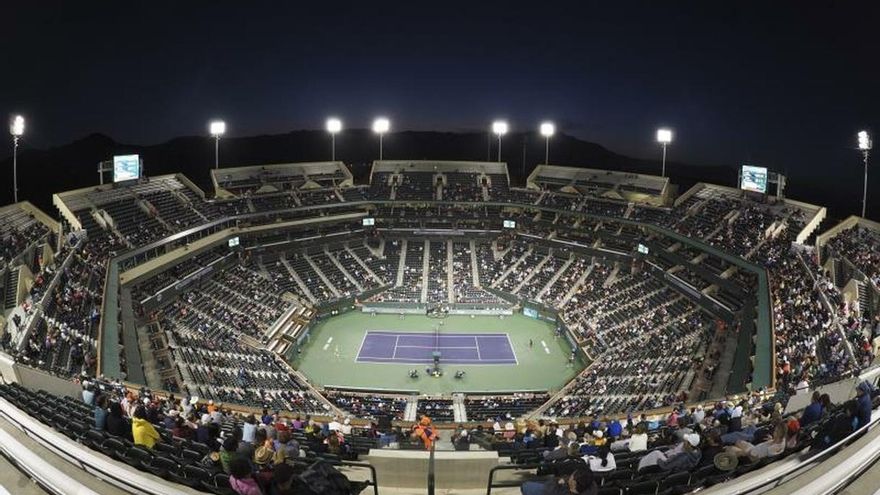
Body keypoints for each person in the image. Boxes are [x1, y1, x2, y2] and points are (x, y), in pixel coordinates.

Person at [638, 433, 702, 472]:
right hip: (669, 459)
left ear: (689, 444)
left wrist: (659, 460)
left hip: (665, 466)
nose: (684, 442)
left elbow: (665, 466)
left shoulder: (683, 457)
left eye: (686, 441)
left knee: (655, 453)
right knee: (656, 453)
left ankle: (641, 469)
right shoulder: (697, 452)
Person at [520, 466, 598, 495]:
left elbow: (549, 488)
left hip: (548, 489)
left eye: (572, 475)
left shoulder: (559, 490)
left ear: (574, 482)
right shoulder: (592, 486)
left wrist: (558, 482)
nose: (570, 476)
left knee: (525, 486)